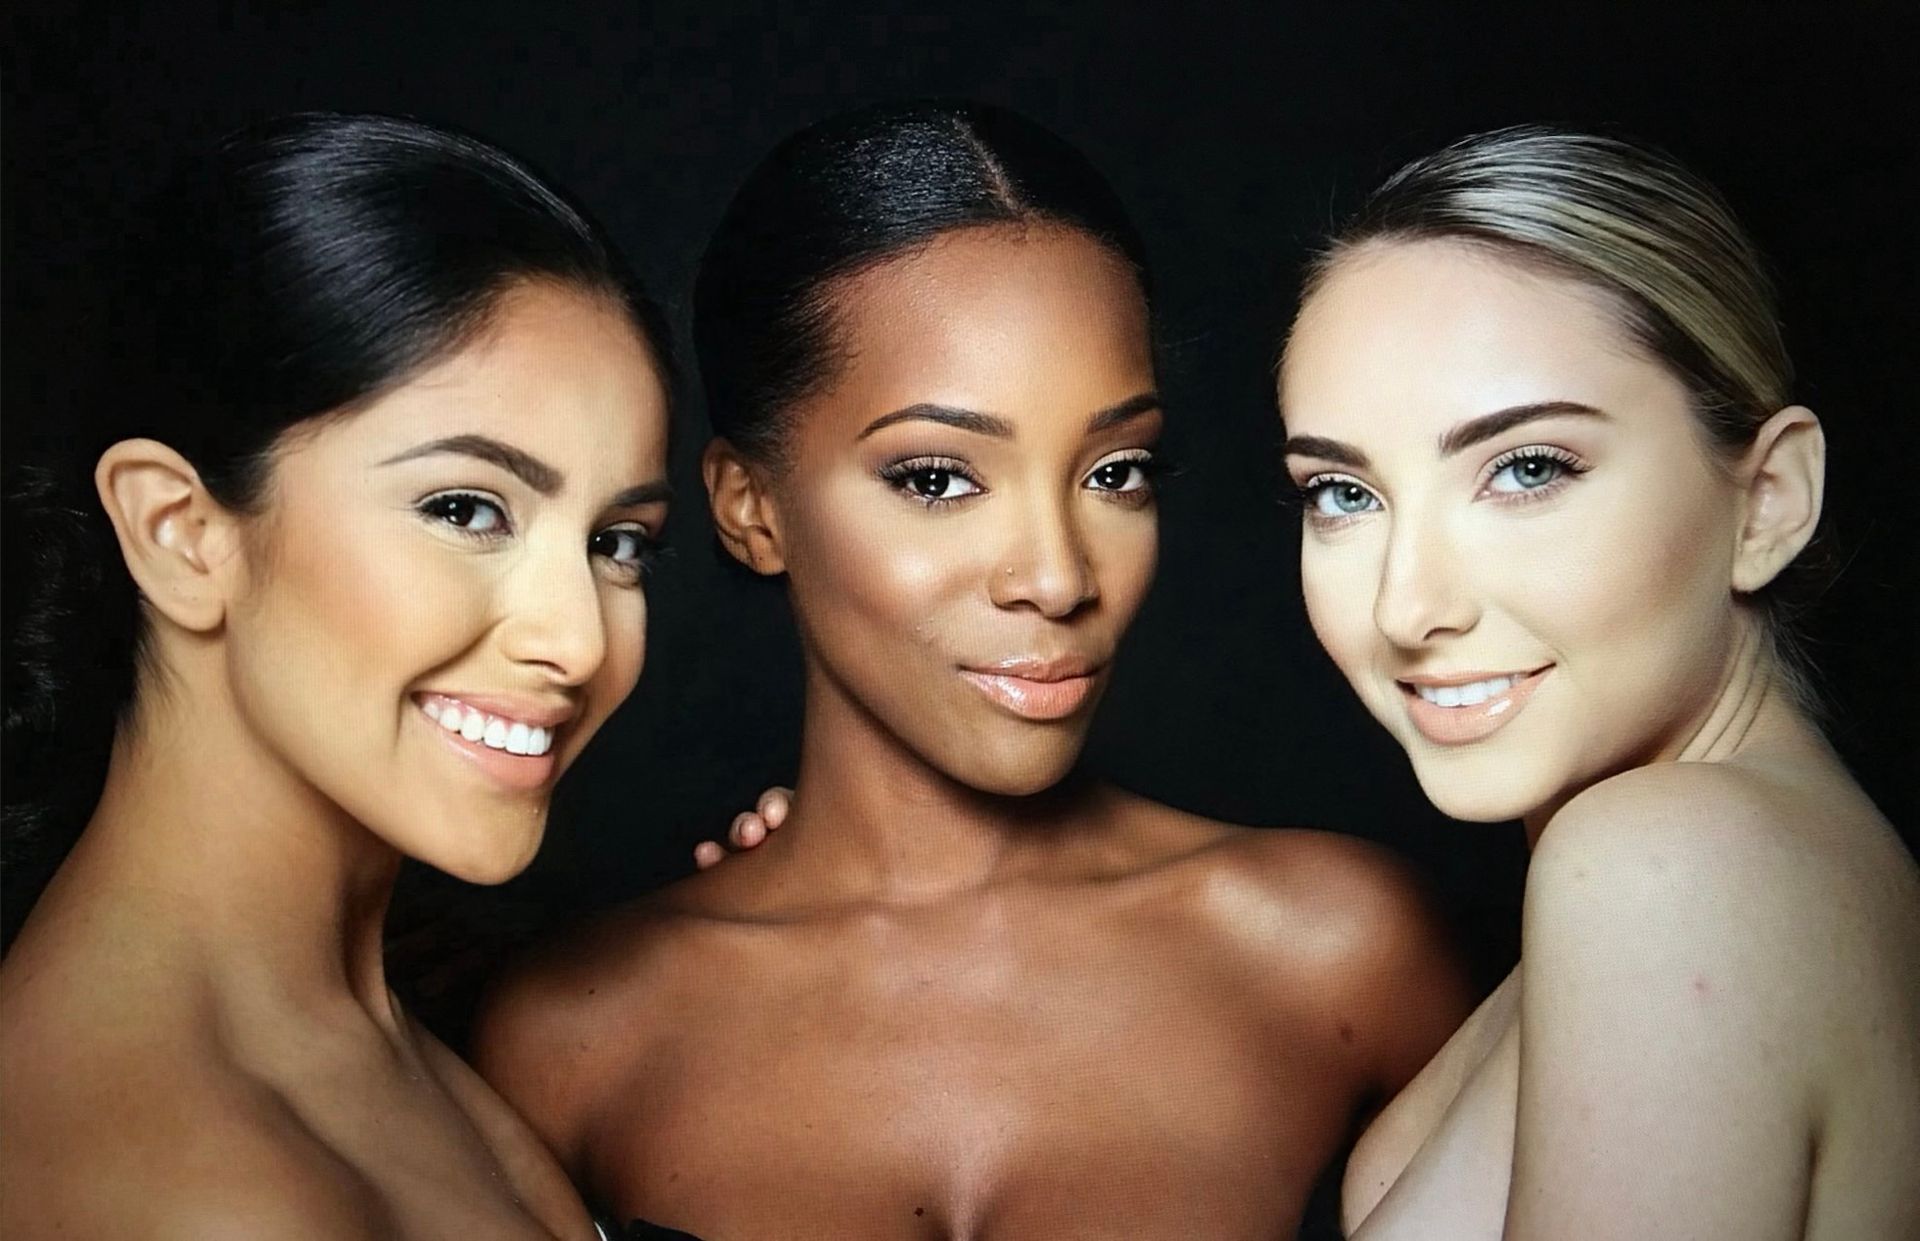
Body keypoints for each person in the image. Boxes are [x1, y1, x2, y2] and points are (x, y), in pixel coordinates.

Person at [472, 100, 1470, 1239]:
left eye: (1115, 472)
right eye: (939, 477)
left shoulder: (1343, 958)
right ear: (750, 508)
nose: (1055, 576)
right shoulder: (568, 1042)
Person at [0, 112, 673, 1239]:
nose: (582, 641)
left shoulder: (359, 1029)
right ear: (180, 532)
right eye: (466, 508)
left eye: (618, 542)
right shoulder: (200, 1192)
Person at [1275, 127, 1919, 1239]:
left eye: (1527, 468)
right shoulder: (1767, 855)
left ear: (1766, 501)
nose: (1405, 606)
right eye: (1343, 492)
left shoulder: (1668, 865)